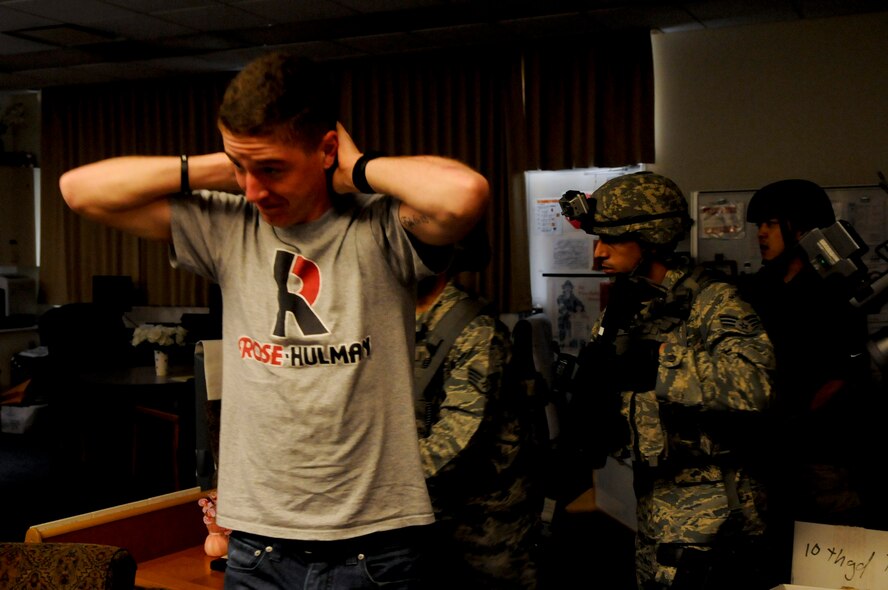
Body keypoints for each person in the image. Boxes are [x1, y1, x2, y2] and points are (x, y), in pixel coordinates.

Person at [58, 51, 489, 589]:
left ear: (325, 148)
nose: (256, 189)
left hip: (375, 546)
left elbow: (464, 194)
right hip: (258, 546)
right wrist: (229, 165)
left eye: (273, 169)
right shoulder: (229, 223)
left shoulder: (379, 226)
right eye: (243, 168)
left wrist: (354, 169)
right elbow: (79, 191)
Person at [559, 171, 777, 589]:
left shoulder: (713, 301)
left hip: (712, 515)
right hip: (652, 505)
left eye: (610, 241)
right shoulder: (628, 306)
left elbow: (756, 385)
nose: (597, 255)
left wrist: (660, 366)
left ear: (650, 238)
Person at [738, 179, 878, 580]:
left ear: (802, 229)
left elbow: (844, 371)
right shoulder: (761, 286)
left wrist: (797, 418)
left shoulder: (836, 290)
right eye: (758, 225)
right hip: (771, 450)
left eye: (770, 223)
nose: (760, 233)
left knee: (835, 570)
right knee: (776, 558)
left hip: (824, 452)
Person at [413, 228, 541, 590]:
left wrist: (381, 486)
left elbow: (458, 442)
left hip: (484, 521)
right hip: (426, 511)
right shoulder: (395, 320)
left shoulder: (475, 331)